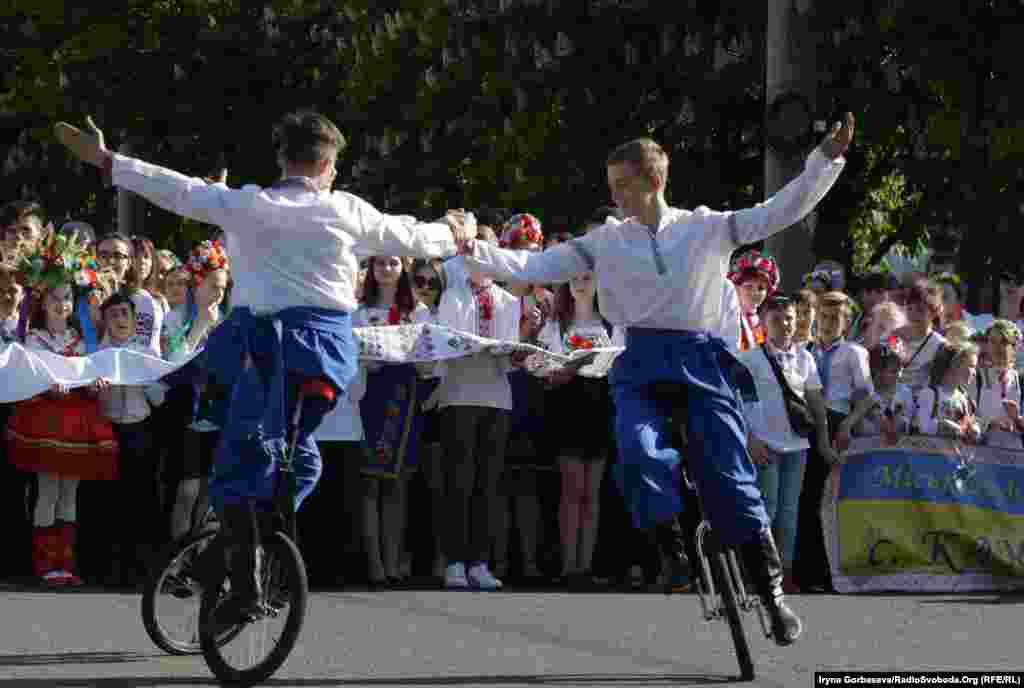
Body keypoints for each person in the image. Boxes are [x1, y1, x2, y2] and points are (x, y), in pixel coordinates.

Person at [455, 113, 855, 645]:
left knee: (730, 475)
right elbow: (536, 267)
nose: (616, 196)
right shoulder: (605, 240)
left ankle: (773, 598)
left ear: (655, 182)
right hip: (640, 360)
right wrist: (472, 249)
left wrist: (824, 162)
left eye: (625, 185)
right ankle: (673, 548)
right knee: (639, 450)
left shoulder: (706, 227)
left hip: (701, 359)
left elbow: (778, 212)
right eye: (611, 187)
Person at [55, 111, 471, 618]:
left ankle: (240, 563)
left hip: (264, 351)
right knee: (303, 459)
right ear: (326, 165)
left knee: (238, 467)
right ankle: (248, 543)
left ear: (283, 160)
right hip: (322, 357)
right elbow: (410, 235)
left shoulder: (249, 203)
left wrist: (108, 160)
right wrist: (455, 232)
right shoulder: (346, 210)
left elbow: (178, 190)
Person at [738, 294, 834, 594]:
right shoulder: (749, 359)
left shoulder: (805, 358)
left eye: (790, 317)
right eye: (776, 319)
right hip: (765, 445)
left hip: (797, 447)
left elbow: (816, 403)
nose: (785, 324)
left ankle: (785, 572)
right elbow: (738, 405)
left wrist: (824, 442)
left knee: (789, 513)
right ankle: (759, 573)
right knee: (766, 508)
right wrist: (750, 441)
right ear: (764, 324)